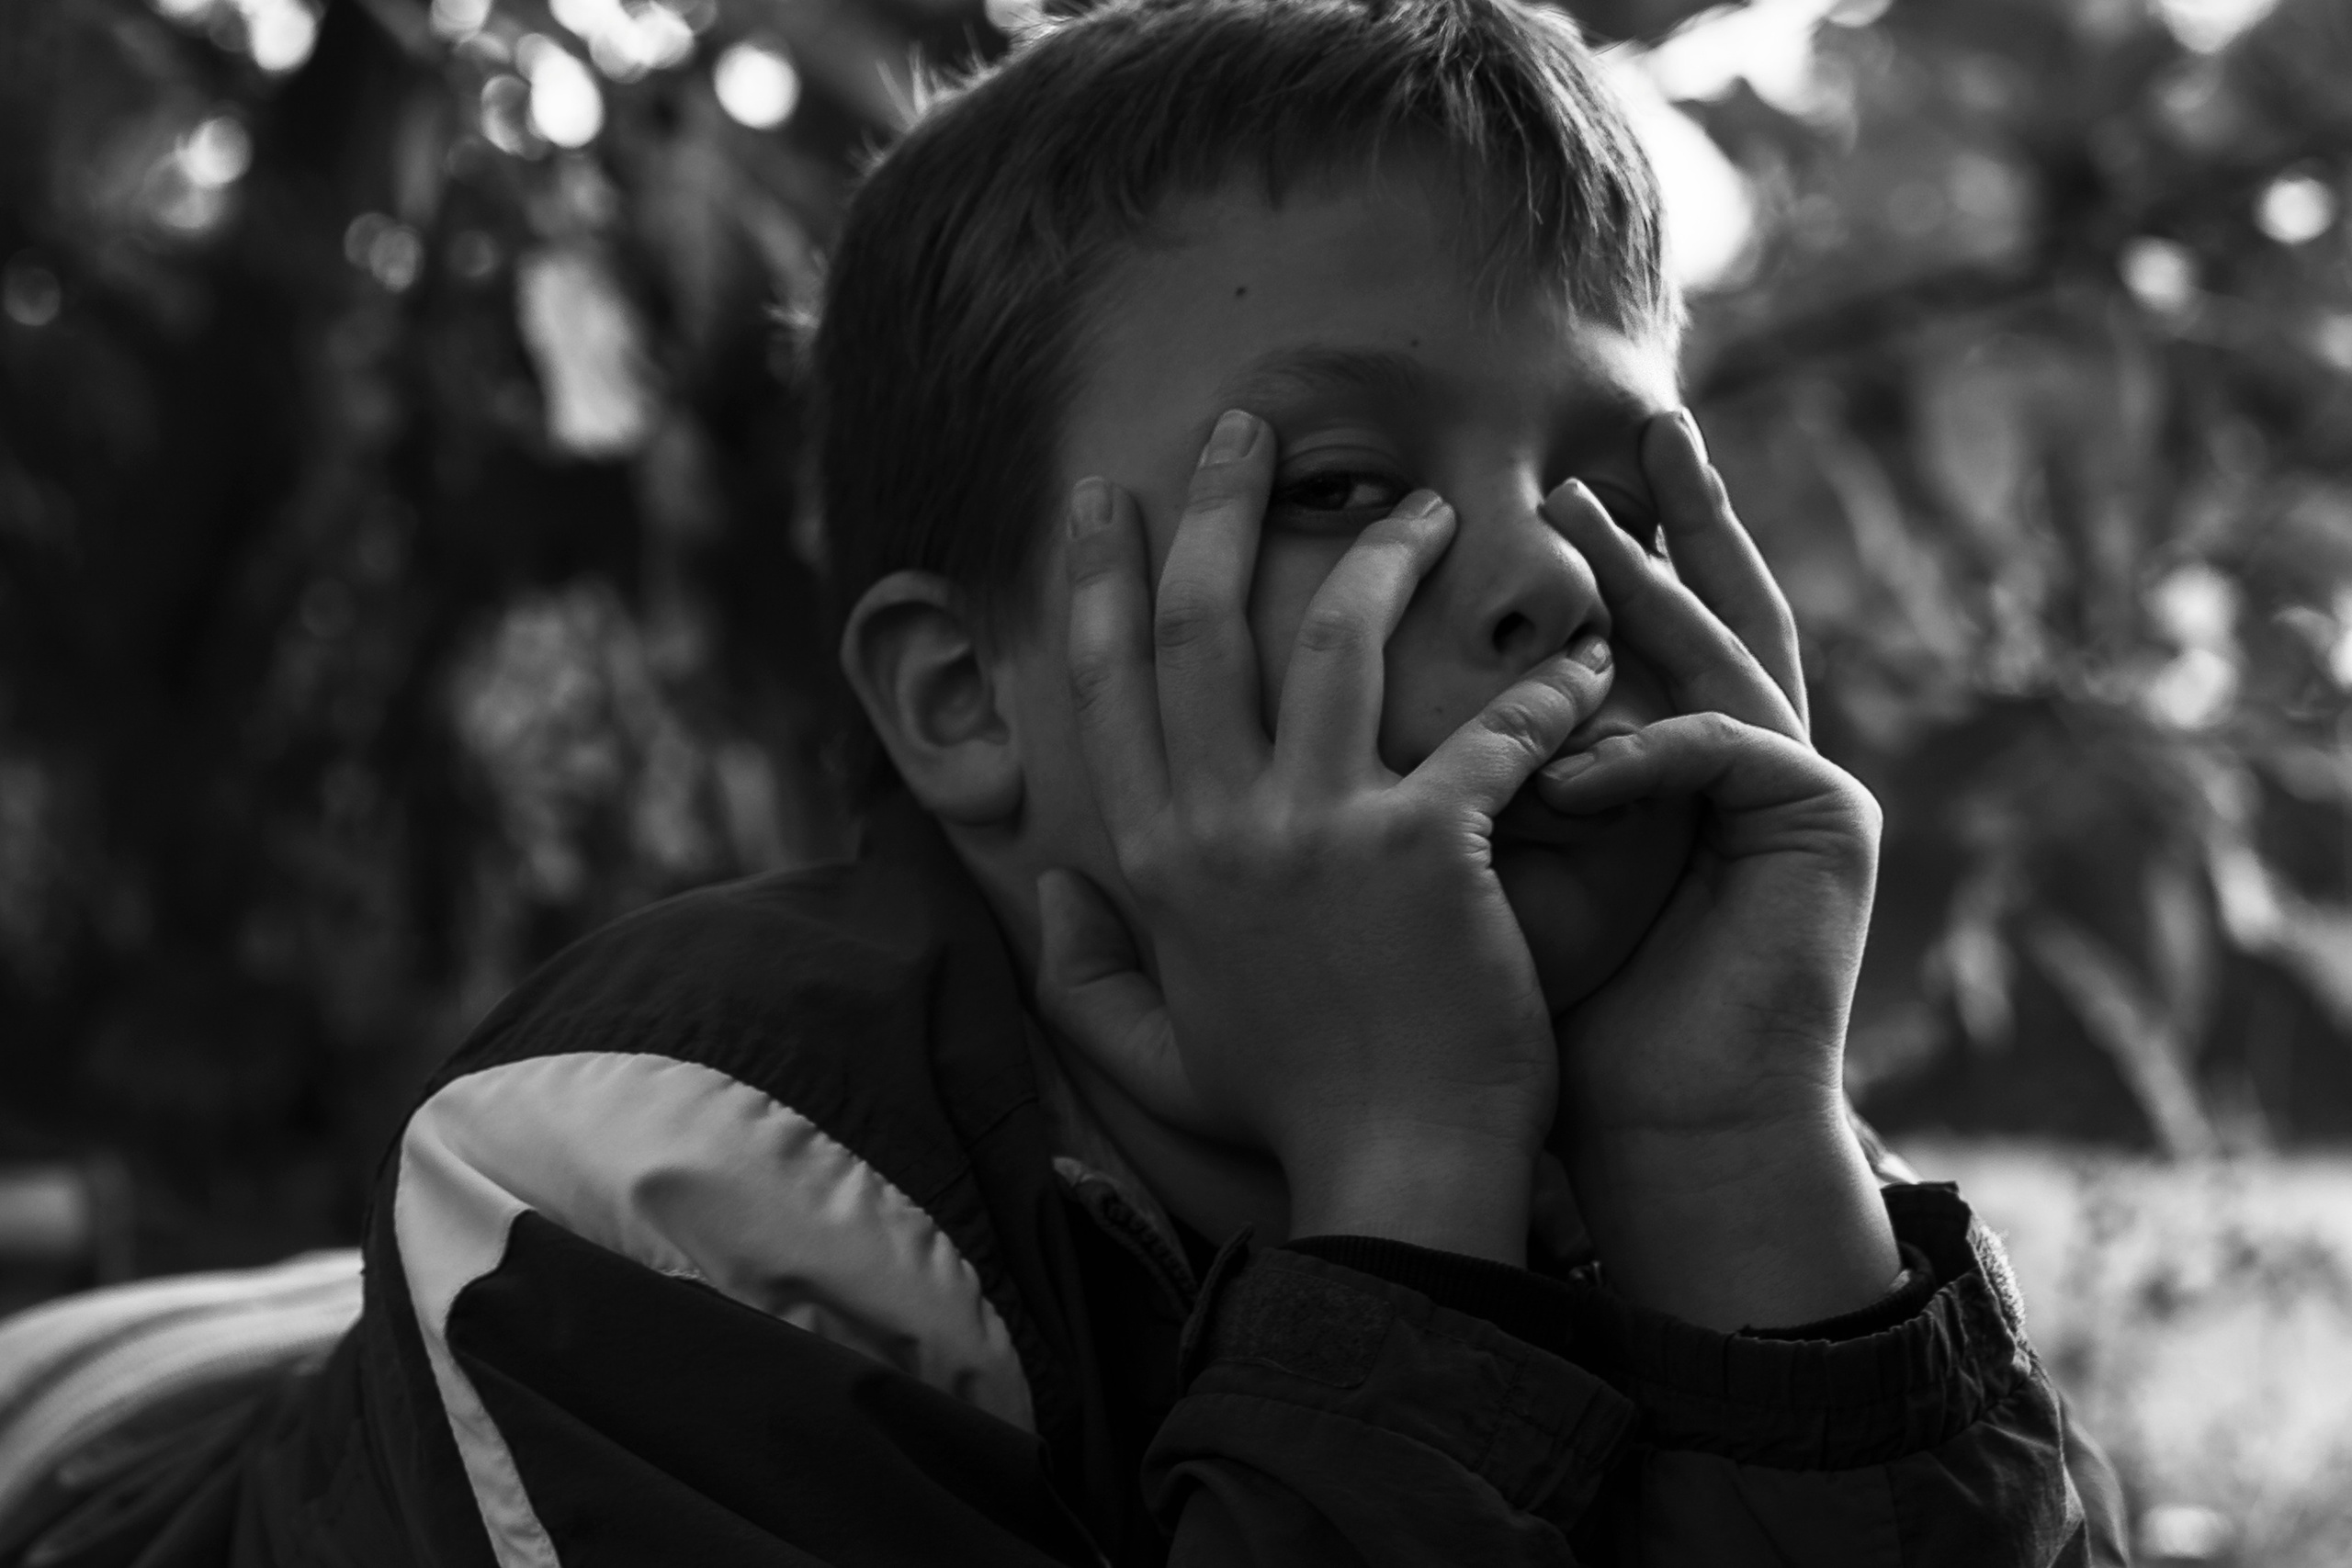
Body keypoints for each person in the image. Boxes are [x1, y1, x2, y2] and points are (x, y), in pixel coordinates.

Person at [0, 0, 2131, 1562]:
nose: (1544, 577)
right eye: (1343, 484)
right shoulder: (660, 1182)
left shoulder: (1659, 1121)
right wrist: (1402, 1184)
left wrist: (1732, 1127)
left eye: (1603, 482)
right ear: (964, 699)